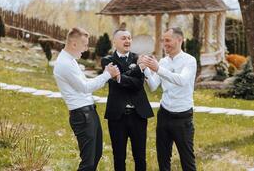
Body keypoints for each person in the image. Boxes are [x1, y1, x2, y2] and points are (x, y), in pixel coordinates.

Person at [53, 27, 120, 171]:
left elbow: (85, 85)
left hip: (89, 113)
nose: (86, 49)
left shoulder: (71, 60)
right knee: (88, 162)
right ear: (74, 44)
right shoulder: (64, 63)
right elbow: (85, 87)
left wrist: (105, 74)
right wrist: (107, 75)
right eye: (84, 45)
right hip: (82, 116)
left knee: (96, 155)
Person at [139, 27, 197, 171]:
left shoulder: (189, 61)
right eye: (163, 41)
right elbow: (153, 86)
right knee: (163, 159)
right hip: (164, 115)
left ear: (179, 40)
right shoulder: (163, 62)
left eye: (168, 40)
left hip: (183, 117)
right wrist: (146, 68)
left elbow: (182, 80)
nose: (165, 44)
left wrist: (157, 69)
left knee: (187, 161)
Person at [101, 29, 154, 171]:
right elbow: (114, 81)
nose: (128, 41)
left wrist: (121, 77)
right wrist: (138, 69)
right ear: (115, 42)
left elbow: (137, 84)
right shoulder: (107, 60)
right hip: (117, 116)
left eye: (130, 38)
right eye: (124, 38)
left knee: (140, 156)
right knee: (118, 156)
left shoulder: (138, 58)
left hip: (139, 115)